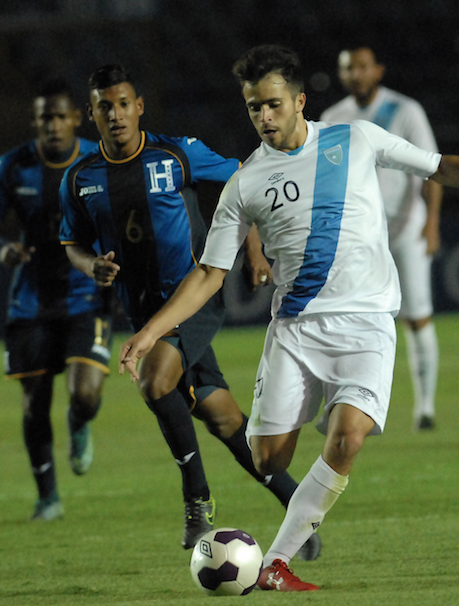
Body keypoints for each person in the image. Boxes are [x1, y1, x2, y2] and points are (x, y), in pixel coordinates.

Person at [119, 44, 459, 591]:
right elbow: (208, 274)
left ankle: (275, 562)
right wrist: (151, 332)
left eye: (272, 104)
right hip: (296, 330)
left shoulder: (356, 139)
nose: (264, 118)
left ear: (300, 101)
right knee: (267, 457)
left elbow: (437, 168)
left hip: (366, 321)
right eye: (253, 108)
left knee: (347, 439)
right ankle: (326, 413)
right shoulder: (244, 183)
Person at [59, 63, 321, 559]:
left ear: (139, 107)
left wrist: (255, 247)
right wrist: (89, 263)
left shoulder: (177, 153)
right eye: (104, 107)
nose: (115, 114)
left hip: (192, 296)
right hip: (140, 311)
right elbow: (71, 241)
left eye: (122, 104)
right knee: (222, 418)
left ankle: (197, 499)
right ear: (90, 116)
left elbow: (245, 183)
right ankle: (298, 509)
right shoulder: (79, 178)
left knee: (154, 381)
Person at [0, 78, 111, 521]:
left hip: (85, 295)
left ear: (75, 118)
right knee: (34, 402)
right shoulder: (13, 167)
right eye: (44, 117)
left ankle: (80, 423)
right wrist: (2, 249)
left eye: (60, 116)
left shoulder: (97, 160)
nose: (53, 125)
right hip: (30, 301)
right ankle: (48, 497)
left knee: (85, 395)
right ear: (35, 121)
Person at [321, 45, 444, 431]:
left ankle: (424, 407)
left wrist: (432, 223)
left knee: (417, 317)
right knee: (345, 317)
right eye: (348, 69)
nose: (355, 74)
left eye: (361, 67)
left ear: (378, 70)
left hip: (405, 228)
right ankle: (344, 405)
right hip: (358, 236)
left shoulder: (405, 111)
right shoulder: (333, 117)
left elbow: (432, 167)